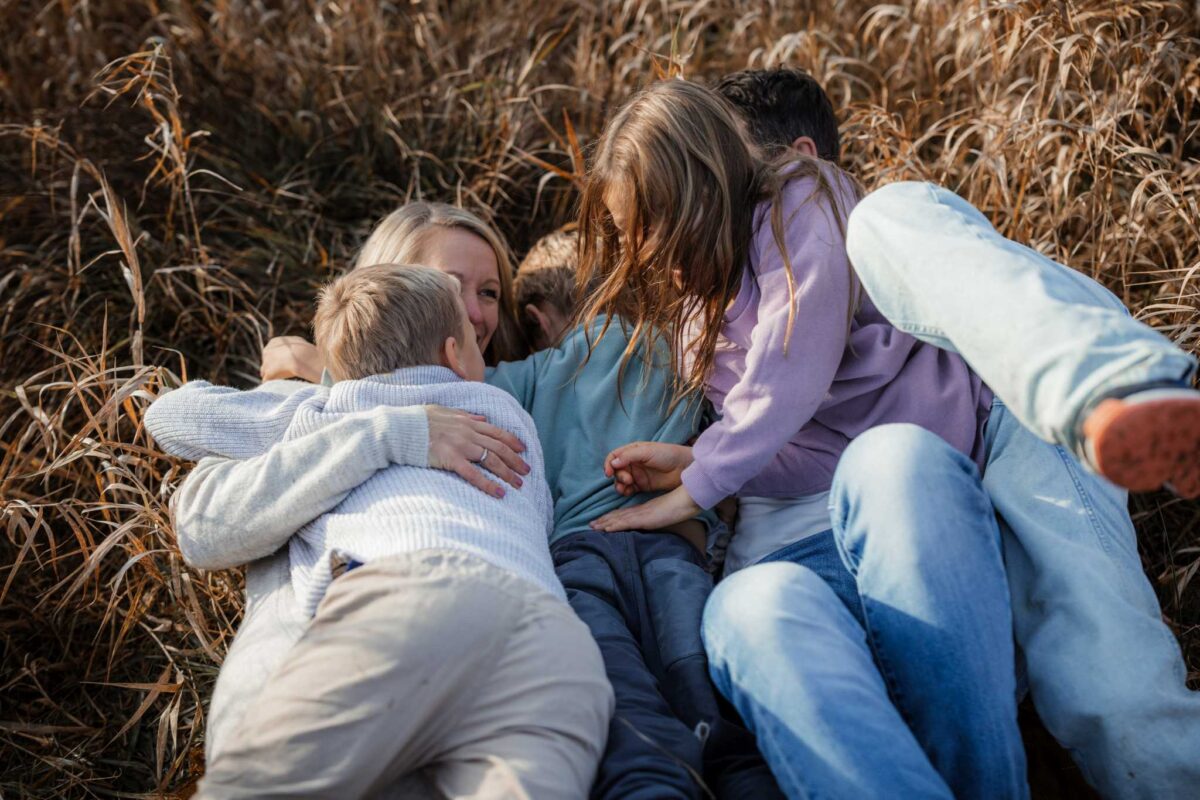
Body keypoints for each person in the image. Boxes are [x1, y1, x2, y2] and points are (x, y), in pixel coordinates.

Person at [579, 77, 1200, 799]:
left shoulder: (841, 213)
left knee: (1112, 693)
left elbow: (794, 364)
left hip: (1008, 425)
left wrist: (705, 477)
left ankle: (1117, 392)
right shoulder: (706, 323)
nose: (645, 253)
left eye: (652, 223)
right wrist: (706, 463)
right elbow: (803, 435)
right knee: (751, 609)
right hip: (874, 521)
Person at [167, 210, 780, 798]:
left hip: (452, 629)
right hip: (454, 646)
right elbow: (202, 516)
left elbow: (172, 416)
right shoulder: (326, 408)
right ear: (391, 280)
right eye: (449, 286)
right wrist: (383, 424)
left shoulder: (501, 399)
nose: (476, 312)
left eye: (490, 293)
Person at [145, 264, 612, 798]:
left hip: (411, 600)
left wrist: (307, 395)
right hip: (551, 637)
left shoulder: (331, 407)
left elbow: (170, 417)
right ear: (456, 354)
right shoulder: (509, 417)